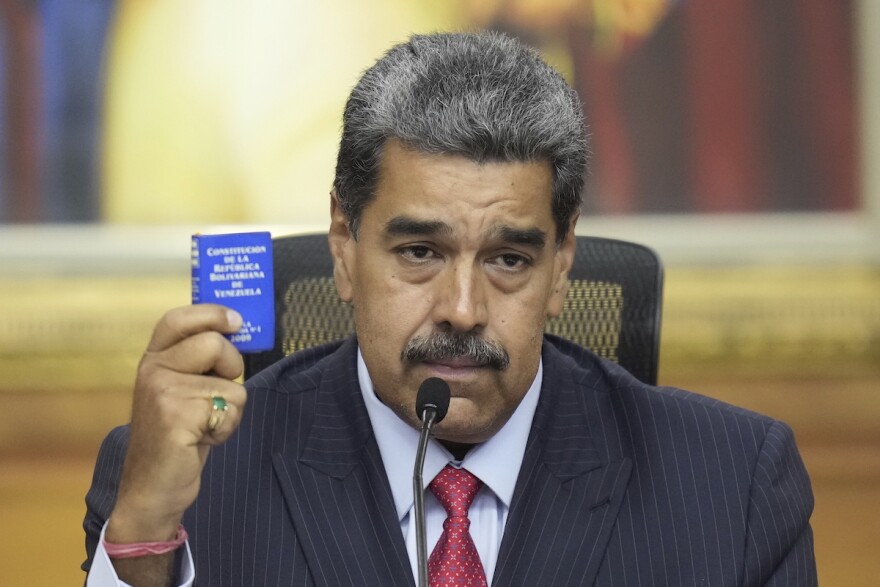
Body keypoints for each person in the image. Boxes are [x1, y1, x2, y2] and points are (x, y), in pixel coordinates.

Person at [83, 31, 817, 586]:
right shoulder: (183, 483)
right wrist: (143, 536)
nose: (462, 310)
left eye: (508, 259)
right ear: (344, 241)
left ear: (562, 263)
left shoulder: (734, 485)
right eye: (420, 252)